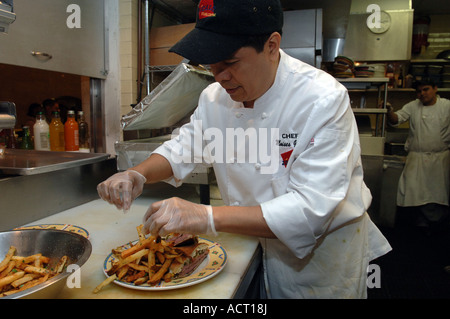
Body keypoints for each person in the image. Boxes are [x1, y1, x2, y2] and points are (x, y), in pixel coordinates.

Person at [97, 0, 391, 299]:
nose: (219, 75)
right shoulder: (214, 98)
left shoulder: (322, 100)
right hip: (249, 241)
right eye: (210, 63)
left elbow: (310, 210)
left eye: (229, 62)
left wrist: (207, 217)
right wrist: (137, 174)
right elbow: (183, 147)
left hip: (317, 263)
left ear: (272, 45)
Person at [386, 78, 450, 233]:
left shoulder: (446, 106)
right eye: (419, 91)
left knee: (437, 194)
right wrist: (389, 111)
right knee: (412, 191)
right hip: (417, 157)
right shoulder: (413, 106)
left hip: (440, 158)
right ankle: (417, 227)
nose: (422, 94)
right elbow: (397, 119)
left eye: (426, 89)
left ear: (435, 88)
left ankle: (436, 227)